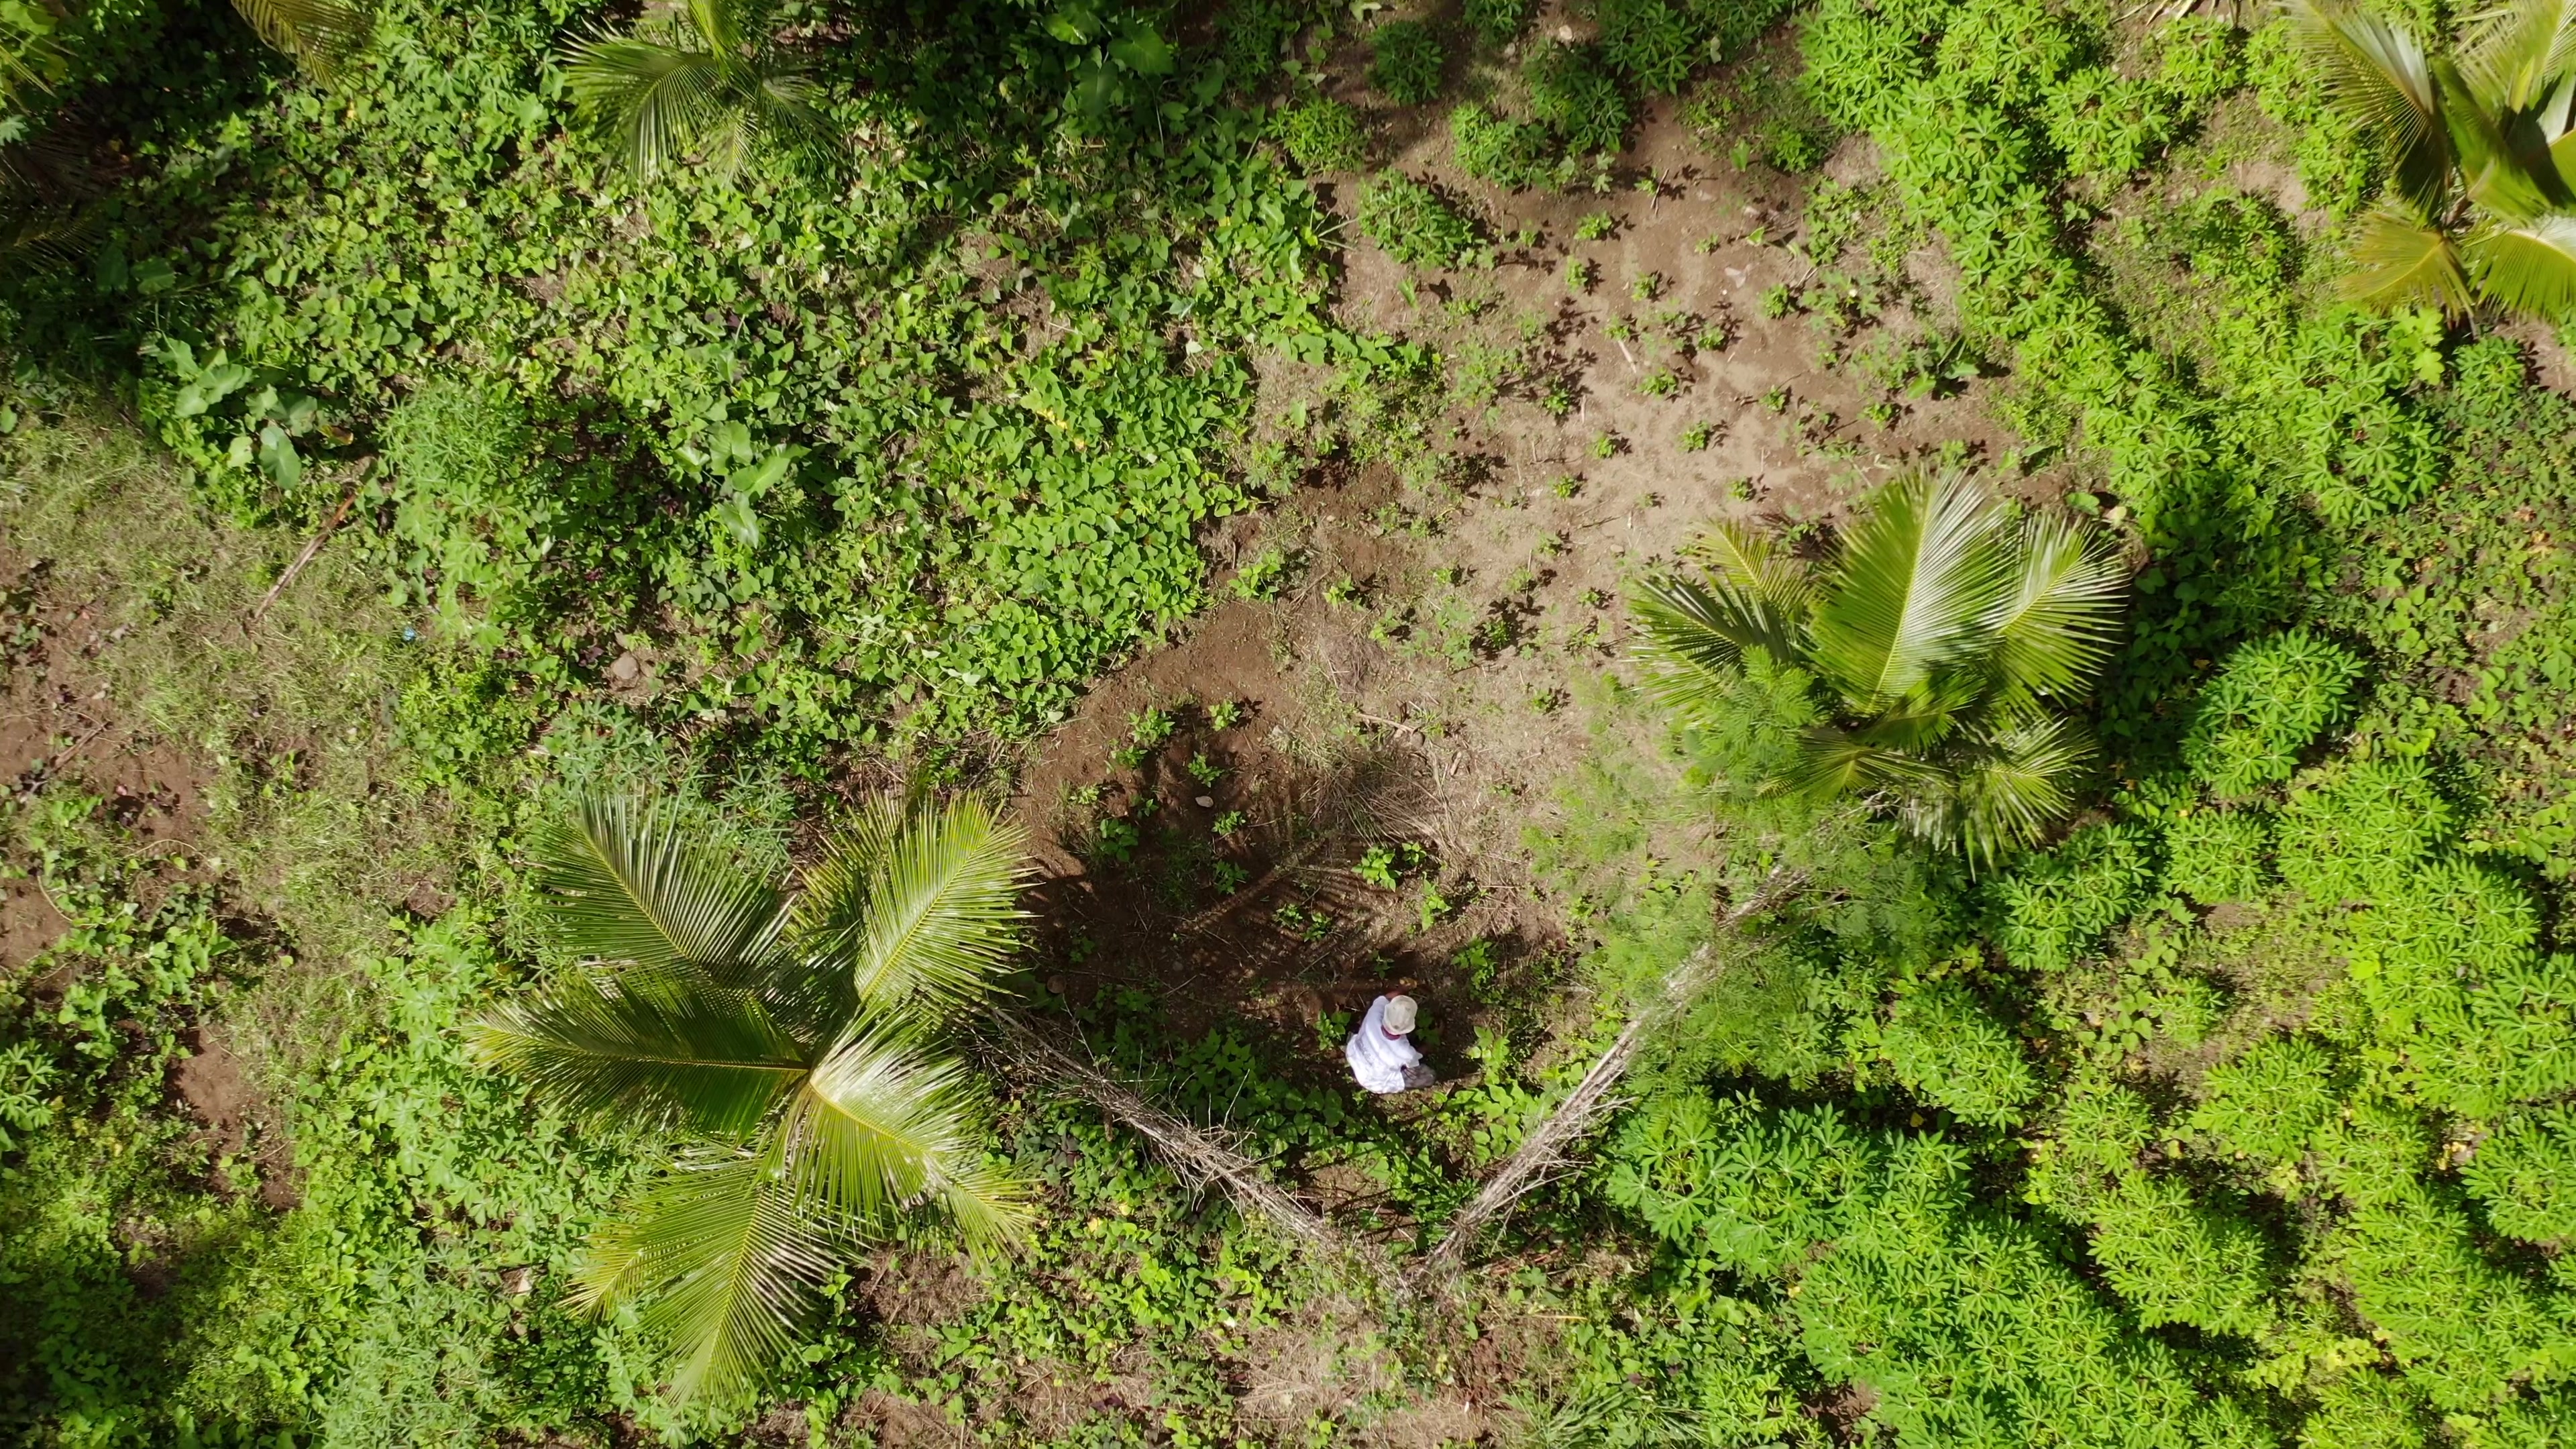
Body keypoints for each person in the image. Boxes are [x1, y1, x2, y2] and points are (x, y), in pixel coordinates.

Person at [1345, 993, 1437, 1094]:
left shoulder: (1374, 1013)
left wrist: (1402, 989)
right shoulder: (1405, 1052)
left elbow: (1386, 997)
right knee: (1429, 1076)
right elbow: (1416, 1058)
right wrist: (1433, 1038)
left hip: (1354, 1055)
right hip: (1375, 1083)